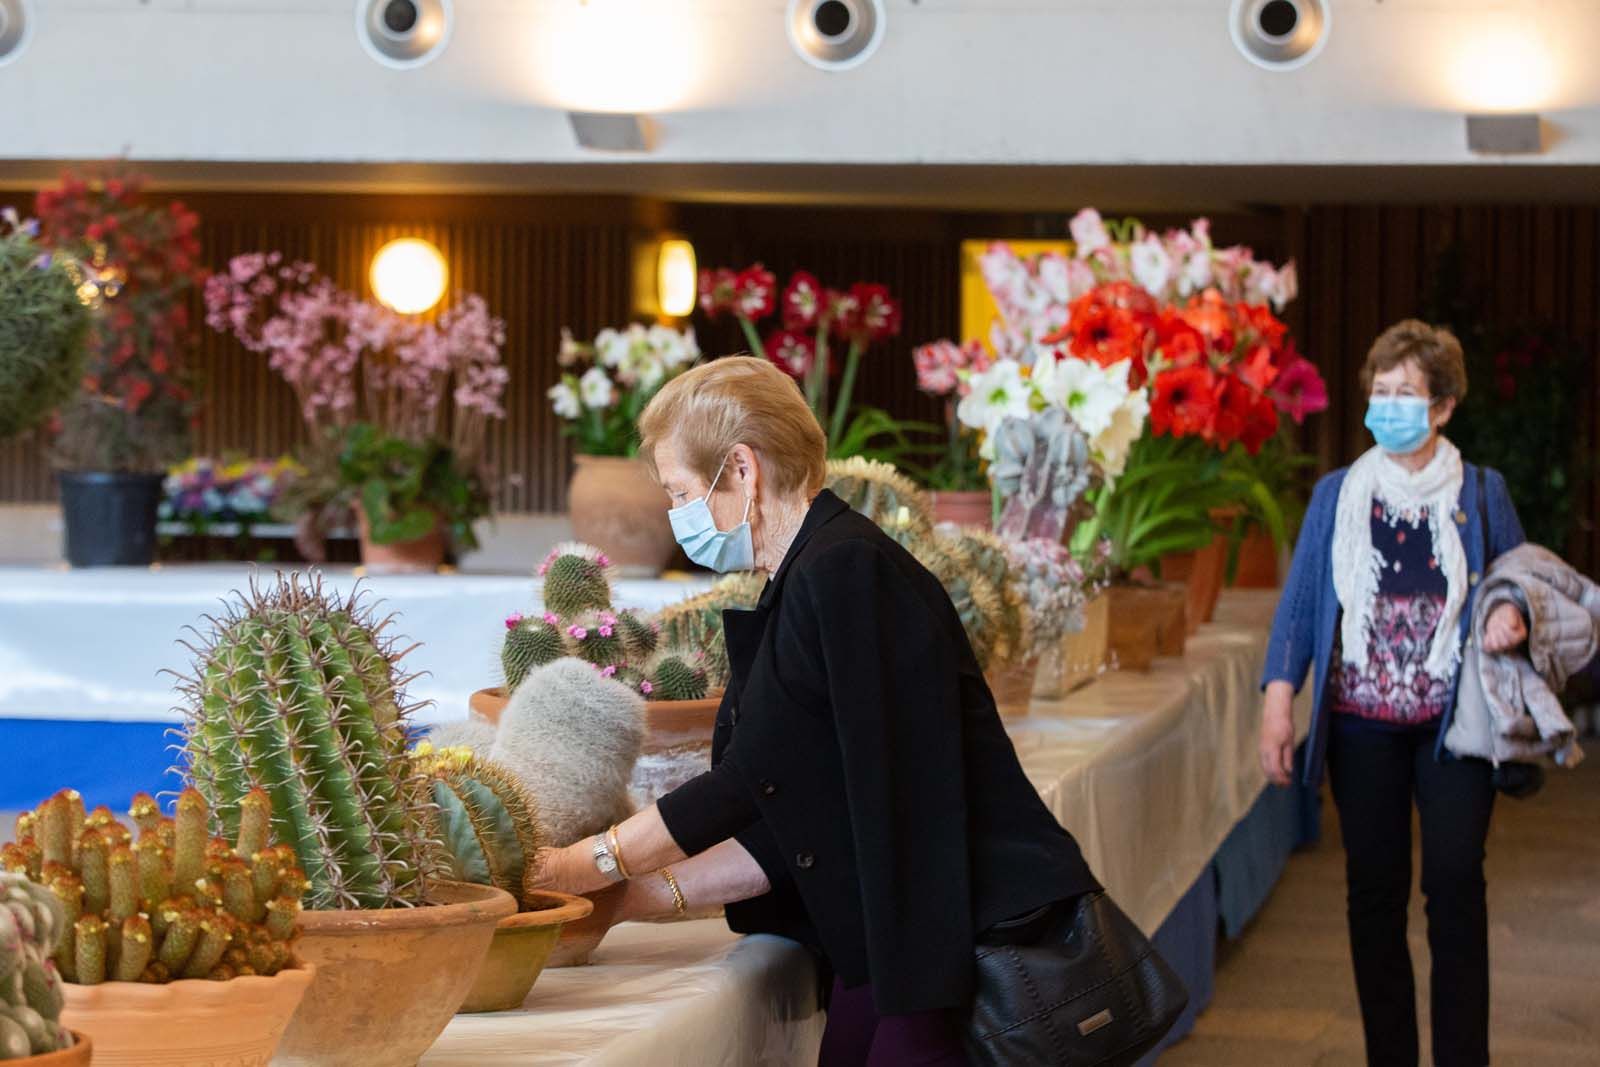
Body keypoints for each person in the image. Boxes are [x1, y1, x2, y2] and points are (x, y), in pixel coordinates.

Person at [531, 356, 1100, 1067]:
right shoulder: (811, 573)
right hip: (896, 942)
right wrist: (629, 896)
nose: (677, 516)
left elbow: (747, 783)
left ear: (741, 468)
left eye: (680, 490)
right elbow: (801, 813)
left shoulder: (844, 570)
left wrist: (582, 862)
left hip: (944, 945)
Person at [1258, 320, 1526, 1067]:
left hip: (1454, 726)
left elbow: (1520, 579)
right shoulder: (1339, 493)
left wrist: (1510, 611)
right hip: (1360, 726)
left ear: (1442, 408)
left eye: (1407, 393)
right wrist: (1280, 700)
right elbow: (1303, 601)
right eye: (1381, 391)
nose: (1390, 405)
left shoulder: (1481, 492)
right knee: (1373, 897)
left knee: (1453, 886)